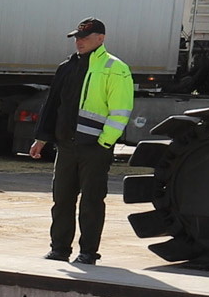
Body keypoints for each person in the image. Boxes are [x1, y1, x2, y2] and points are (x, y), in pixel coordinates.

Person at [33, 17, 135, 263]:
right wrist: (41, 139)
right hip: (66, 146)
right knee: (62, 201)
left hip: (95, 149)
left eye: (84, 38)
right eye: (77, 38)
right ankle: (59, 249)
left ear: (100, 39)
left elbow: (121, 110)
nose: (79, 42)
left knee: (91, 202)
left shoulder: (115, 68)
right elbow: (52, 105)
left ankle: (88, 253)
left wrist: (104, 142)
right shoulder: (66, 67)